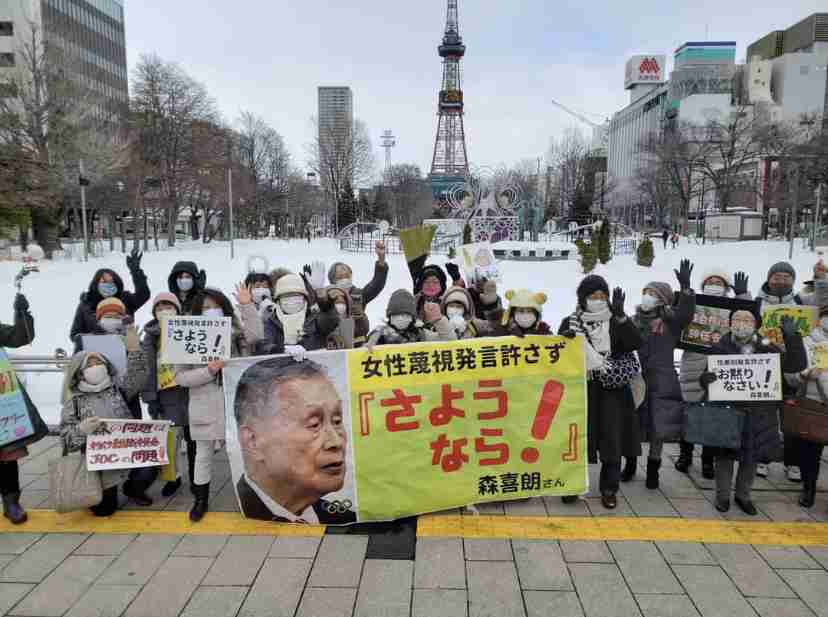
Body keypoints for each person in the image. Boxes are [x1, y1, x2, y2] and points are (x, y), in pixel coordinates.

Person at [700, 310, 805, 515]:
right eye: (737, 319)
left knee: (751, 456)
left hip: (758, 412)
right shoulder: (719, 347)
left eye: (747, 319)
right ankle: (722, 496)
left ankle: (743, 495)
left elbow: (796, 365)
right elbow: (706, 379)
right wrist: (706, 380)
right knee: (724, 457)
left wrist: (793, 338)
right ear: (730, 323)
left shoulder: (768, 348)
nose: (742, 323)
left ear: (756, 324)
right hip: (727, 413)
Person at [174, 285, 262, 522]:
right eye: (205, 308)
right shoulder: (188, 337)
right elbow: (180, 377)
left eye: (216, 306)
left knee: (244, 450)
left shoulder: (236, 332)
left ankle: (253, 496)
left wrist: (247, 305)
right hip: (204, 404)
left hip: (237, 402)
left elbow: (256, 335)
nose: (211, 311)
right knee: (202, 454)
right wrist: (209, 370)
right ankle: (200, 499)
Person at [234, 357, 355, 523]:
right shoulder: (246, 512)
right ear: (252, 441)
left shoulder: (344, 518)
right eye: (314, 424)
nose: (336, 442)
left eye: (337, 421)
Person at [559, 276, 642, 509]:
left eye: (602, 296)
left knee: (612, 439)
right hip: (582, 389)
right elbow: (559, 356)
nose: (598, 300)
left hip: (613, 390)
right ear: (582, 298)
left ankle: (609, 488)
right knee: (577, 439)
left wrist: (622, 318)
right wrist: (565, 341)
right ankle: (573, 485)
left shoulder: (616, 321)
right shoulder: (570, 322)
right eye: (592, 296)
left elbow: (636, 343)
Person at [59, 328, 148, 517]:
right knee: (104, 510)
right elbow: (66, 440)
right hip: (102, 462)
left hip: (128, 450)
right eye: (89, 364)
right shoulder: (74, 401)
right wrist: (81, 430)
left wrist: (134, 350)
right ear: (80, 373)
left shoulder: (119, 389)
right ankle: (106, 491)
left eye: (99, 362)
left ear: (107, 366)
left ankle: (133, 488)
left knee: (153, 463)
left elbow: (139, 375)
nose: (95, 367)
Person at [676, 270, 750, 478]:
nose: (714, 284)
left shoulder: (733, 308)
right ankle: (685, 455)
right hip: (693, 364)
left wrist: (743, 297)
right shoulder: (696, 304)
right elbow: (680, 315)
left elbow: (749, 319)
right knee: (689, 414)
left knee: (714, 416)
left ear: (726, 287)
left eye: (719, 282)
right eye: (710, 281)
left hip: (721, 367)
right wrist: (685, 291)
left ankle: (707, 460)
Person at [630, 260, 696, 490]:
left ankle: (653, 469)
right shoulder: (634, 320)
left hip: (662, 380)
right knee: (634, 424)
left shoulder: (670, 322)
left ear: (663, 300)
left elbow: (686, 314)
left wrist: (686, 290)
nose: (648, 297)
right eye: (646, 292)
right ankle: (630, 464)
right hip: (636, 379)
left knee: (659, 427)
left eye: (654, 294)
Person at [0, 293, 48, 524]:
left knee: (7, 456)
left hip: (2, 402)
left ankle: (11, 501)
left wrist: (21, 313)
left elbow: (20, 336)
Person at [141, 292, 192, 498]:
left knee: (194, 440)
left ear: (178, 310)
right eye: (160, 308)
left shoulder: (191, 327)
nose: (164, 311)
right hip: (166, 395)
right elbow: (147, 369)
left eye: (169, 307)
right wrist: (151, 398)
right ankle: (173, 477)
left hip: (190, 390)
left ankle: (197, 478)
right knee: (170, 441)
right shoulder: (151, 336)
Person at [786, 305, 828, 508]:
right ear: (819, 319)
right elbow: (790, 377)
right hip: (812, 404)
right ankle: (808, 489)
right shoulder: (805, 341)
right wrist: (803, 375)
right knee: (811, 453)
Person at [69, 248, 150, 347]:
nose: (108, 285)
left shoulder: (125, 299)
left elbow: (143, 294)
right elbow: (75, 334)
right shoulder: (86, 304)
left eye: (111, 282)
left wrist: (136, 271)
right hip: (95, 352)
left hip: (125, 349)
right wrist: (93, 338)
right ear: (96, 284)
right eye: (104, 282)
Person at [258, 273, 340, 355]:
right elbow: (263, 345)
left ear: (305, 299)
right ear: (278, 301)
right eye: (286, 296)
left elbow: (331, 322)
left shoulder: (314, 318)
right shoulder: (271, 321)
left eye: (296, 295)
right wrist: (281, 349)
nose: (292, 300)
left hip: (316, 363)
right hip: (281, 363)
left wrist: (324, 303)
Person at [327, 241, 389, 347]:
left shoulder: (359, 295)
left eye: (347, 274)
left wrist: (381, 261)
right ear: (333, 280)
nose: (344, 278)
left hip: (358, 344)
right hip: (335, 345)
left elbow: (376, 284)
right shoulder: (328, 296)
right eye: (340, 276)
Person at [366, 289, 457, 347]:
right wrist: (367, 349)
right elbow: (364, 351)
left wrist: (439, 320)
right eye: (396, 315)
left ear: (412, 318)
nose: (401, 318)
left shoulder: (420, 334)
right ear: (390, 316)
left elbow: (450, 342)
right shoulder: (379, 334)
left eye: (405, 315)